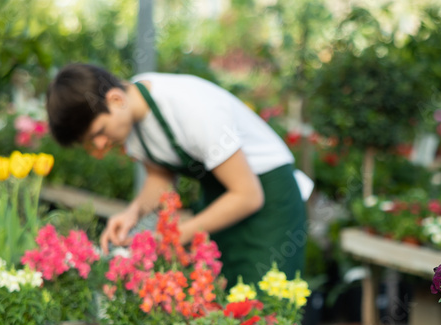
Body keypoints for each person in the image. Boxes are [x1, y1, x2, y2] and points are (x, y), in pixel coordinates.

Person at [46, 64, 308, 287]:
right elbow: (160, 178)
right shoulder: (132, 121)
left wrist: (179, 235)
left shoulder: (190, 109)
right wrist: (132, 213)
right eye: (90, 142)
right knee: (226, 305)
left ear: (115, 99)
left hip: (270, 201)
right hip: (222, 202)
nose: (100, 146)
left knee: (265, 312)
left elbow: (248, 196)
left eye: (99, 132)